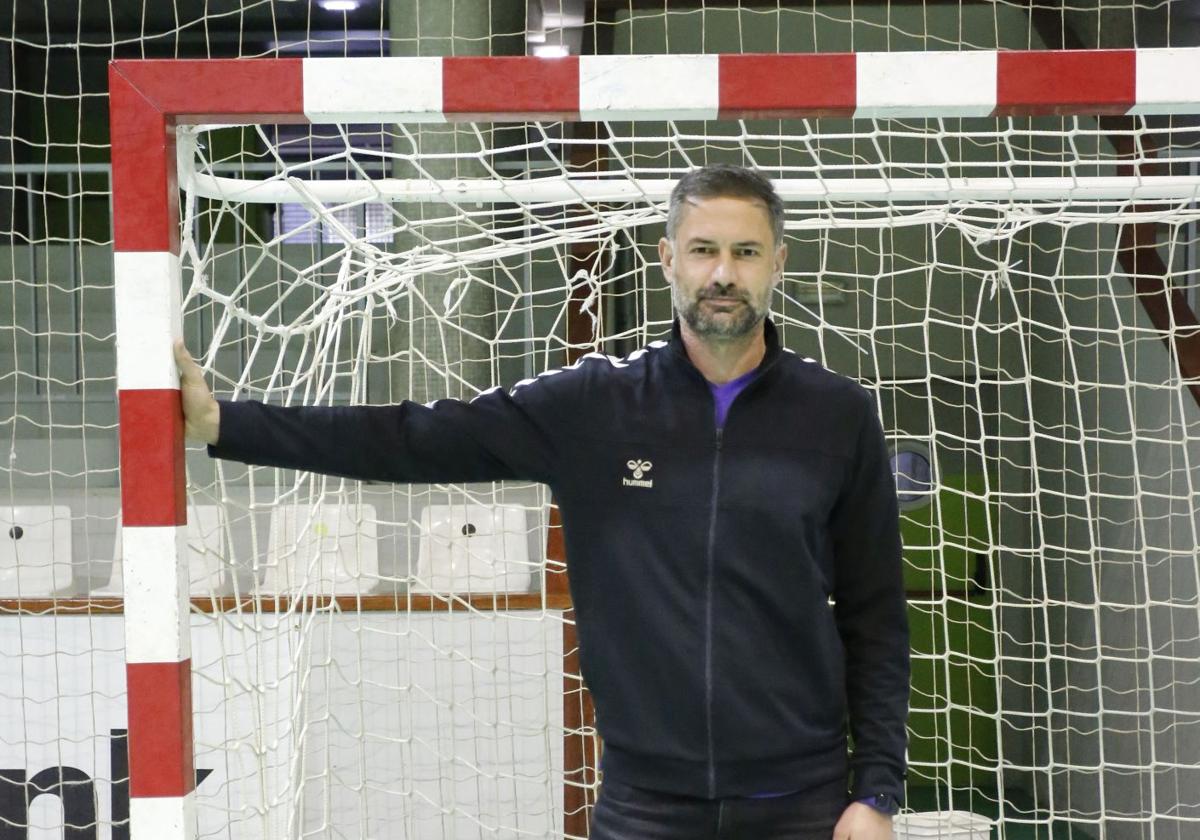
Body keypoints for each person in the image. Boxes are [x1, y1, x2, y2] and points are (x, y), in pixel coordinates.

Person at [175, 164, 909, 840]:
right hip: (644, 806)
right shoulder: (595, 406)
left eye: (746, 253)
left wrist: (874, 793)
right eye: (704, 250)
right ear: (667, 259)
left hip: (801, 803)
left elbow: (877, 617)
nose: (723, 274)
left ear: (778, 262)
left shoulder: (837, 416)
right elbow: (413, 437)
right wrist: (226, 424)